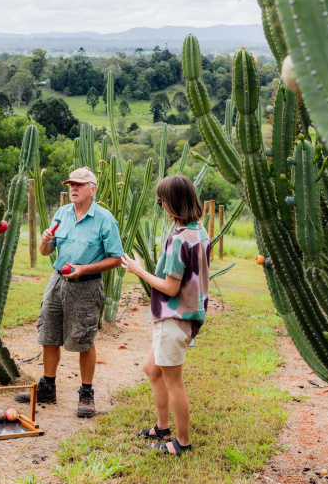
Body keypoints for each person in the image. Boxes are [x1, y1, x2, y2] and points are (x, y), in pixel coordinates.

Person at [15, 167, 124, 418]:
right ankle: (47, 388)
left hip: (87, 286)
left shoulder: (105, 219)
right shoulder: (61, 214)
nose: (73, 188)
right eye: (71, 184)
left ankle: (86, 393)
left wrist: (85, 268)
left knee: (84, 339)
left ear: (92, 190)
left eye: (79, 185)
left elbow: (117, 258)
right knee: (49, 334)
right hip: (57, 282)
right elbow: (45, 252)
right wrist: (44, 241)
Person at [121, 175, 209, 456]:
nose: (161, 206)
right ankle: (162, 427)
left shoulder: (179, 240)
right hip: (185, 316)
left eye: (162, 201)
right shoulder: (200, 231)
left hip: (173, 318)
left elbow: (170, 287)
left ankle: (181, 443)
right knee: (151, 368)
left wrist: (138, 269)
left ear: (173, 203)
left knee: (175, 383)